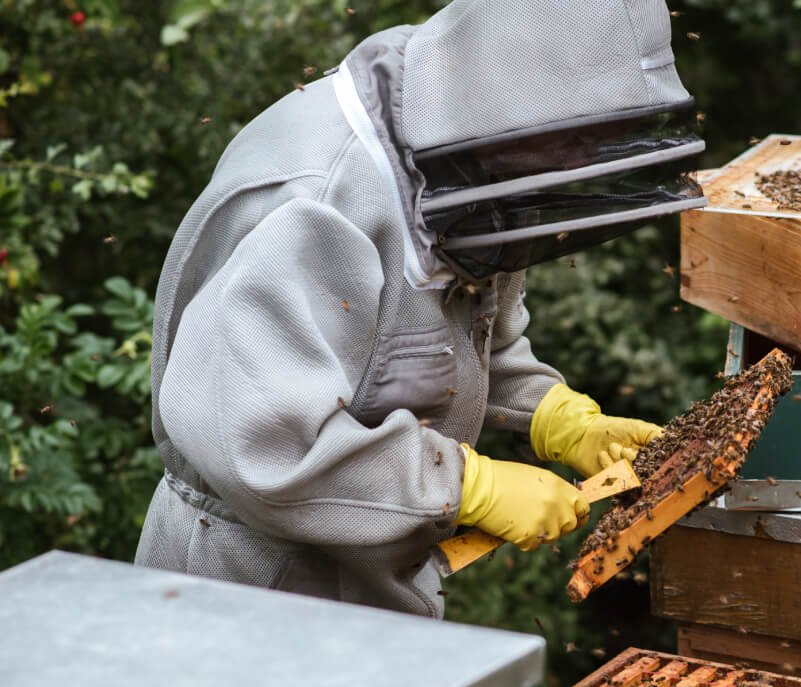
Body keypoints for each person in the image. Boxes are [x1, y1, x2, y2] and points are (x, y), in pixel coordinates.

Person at [135, 0, 705, 617]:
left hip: (365, 588)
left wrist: (554, 415)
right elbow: (265, 446)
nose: (575, 163)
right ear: (511, 92)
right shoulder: (316, 203)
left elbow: (444, 337)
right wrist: (465, 487)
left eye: (598, 142)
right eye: (573, 139)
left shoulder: (462, 155)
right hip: (245, 590)